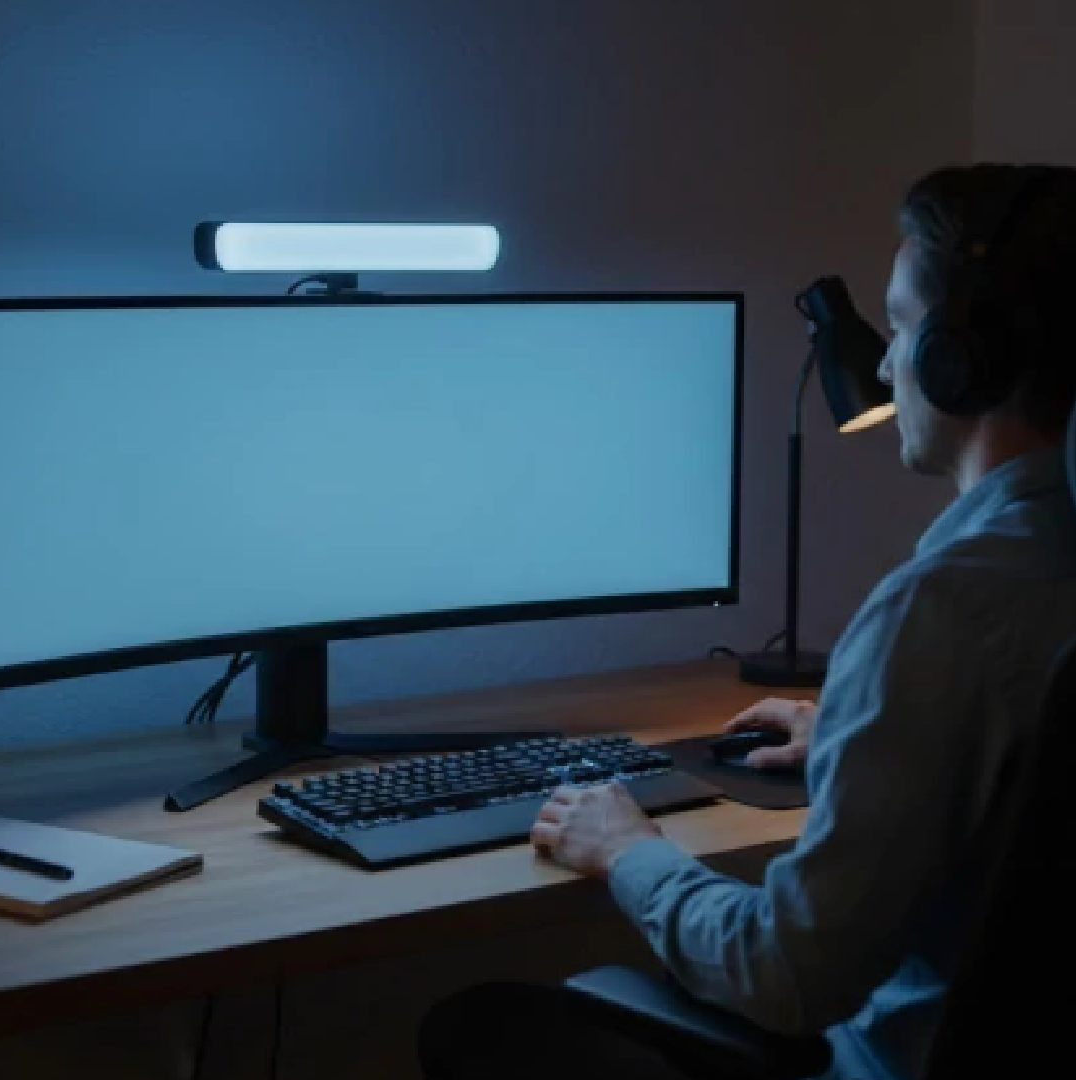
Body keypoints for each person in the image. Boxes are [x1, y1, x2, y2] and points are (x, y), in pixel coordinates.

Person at [417, 163, 1076, 1080]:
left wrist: (628, 851)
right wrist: (860, 731)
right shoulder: (1034, 573)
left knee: (480, 1027)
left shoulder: (944, 608)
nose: (882, 365)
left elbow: (788, 976)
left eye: (898, 327)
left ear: (960, 360)